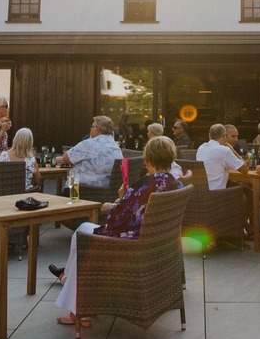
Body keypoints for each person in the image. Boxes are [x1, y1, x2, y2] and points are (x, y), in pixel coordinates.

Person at [51, 136, 183, 326]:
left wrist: (116, 201)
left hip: (131, 244)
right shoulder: (176, 184)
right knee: (83, 233)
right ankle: (70, 283)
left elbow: (116, 221)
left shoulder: (143, 185)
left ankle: (78, 310)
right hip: (159, 246)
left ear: (148, 159)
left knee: (81, 233)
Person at [59, 116, 121, 190]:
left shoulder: (89, 143)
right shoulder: (115, 145)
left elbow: (66, 158)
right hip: (108, 189)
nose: (90, 129)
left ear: (97, 129)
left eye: (92, 127)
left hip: (82, 189)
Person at [197, 123, 248, 191]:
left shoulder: (201, 148)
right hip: (218, 194)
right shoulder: (224, 150)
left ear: (209, 135)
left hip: (202, 192)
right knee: (248, 191)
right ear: (224, 136)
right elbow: (245, 170)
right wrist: (231, 149)